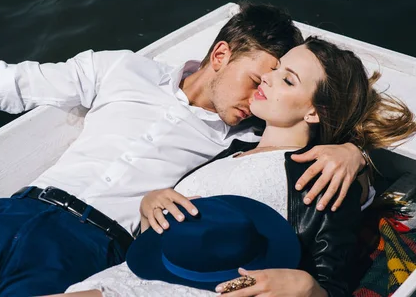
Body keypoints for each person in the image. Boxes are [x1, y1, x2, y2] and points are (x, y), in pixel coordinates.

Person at [0, 4, 369, 296]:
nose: (260, 97)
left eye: (273, 85)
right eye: (257, 80)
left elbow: (301, 146)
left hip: (89, 249)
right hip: (10, 213)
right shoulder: (121, 69)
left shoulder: (244, 144)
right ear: (220, 54)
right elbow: (3, 82)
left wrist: (353, 153)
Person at [60, 37, 416, 297]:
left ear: (314, 111)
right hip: (128, 274)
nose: (268, 78)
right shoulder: (232, 145)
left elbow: (331, 281)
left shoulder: (322, 169)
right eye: (275, 69)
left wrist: (309, 289)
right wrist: (150, 203)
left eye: (287, 80)